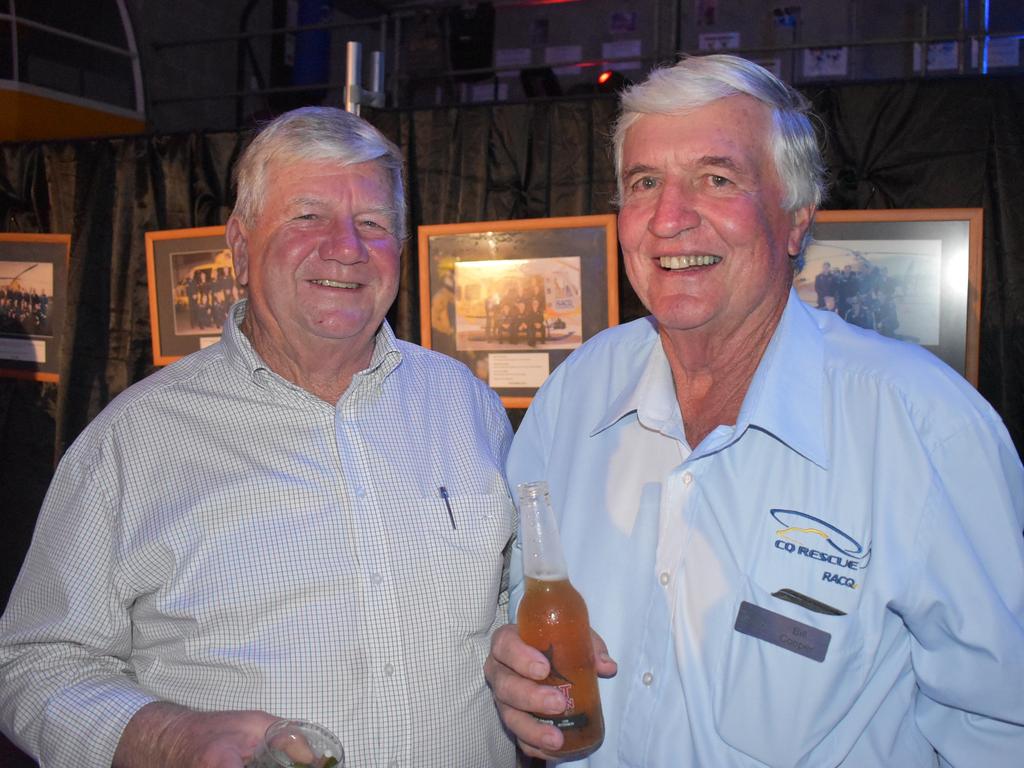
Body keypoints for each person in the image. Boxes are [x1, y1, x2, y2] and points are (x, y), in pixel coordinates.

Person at [484, 54, 1024, 767]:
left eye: (717, 179)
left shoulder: (921, 425)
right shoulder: (578, 391)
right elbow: (519, 591)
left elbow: (1002, 725)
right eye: (645, 183)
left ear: (796, 221)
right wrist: (510, 665)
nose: (670, 219)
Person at [0, 107, 517, 768]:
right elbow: (36, 661)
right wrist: (163, 737)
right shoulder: (134, 441)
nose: (346, 248)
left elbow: (514, 601)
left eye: (372, 224)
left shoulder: (465, 404)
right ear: (240, 249)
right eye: (308, 217)